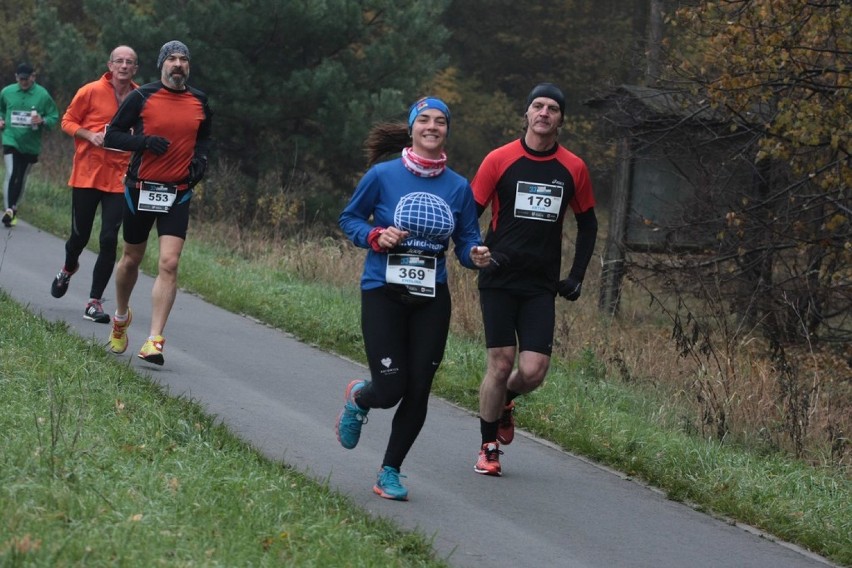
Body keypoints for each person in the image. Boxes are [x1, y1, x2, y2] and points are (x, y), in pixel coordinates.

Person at [336, 96, 491, 500]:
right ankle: (359, 397)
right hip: (382, 291)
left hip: (431, 296)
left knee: (419, 386)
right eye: (424, 120)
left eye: (440, 121)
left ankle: (390, 471)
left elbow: (466, 240)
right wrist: (374, 235)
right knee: (389, 388)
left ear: (446, 131)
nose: (432, 126)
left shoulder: (458, 187)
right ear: (411, 128)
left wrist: (474, 255)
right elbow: (349, 218)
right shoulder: (382, 175)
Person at [471, 83, 597, 477]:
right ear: (526, 114)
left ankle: (506, 399)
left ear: (561, 120)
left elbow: (589, 223)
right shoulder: (499, 159)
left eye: (553, 108)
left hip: (540, 284)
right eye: (537, 106)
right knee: (501, 361)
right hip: (498, 278)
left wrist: (576, 275)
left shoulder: (573, 167)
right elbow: (468, 213)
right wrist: (474, 251)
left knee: (533, 371)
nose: (544, 113)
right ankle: (488, 447)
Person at [102, 40, 212, 365]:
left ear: (188, 66)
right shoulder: (141, 96)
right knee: (131, 259)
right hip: (140, 188)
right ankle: (121, 317)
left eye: (183, 59)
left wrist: (200, 163)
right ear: (162, 65)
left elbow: (205, 136)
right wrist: (145, 142)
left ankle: (154, 340)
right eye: (172, 59)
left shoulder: (200, 101)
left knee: (170, 263)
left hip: (178, 191)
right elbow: (113, 135)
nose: (178, 64)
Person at [50, 46, 140, 323]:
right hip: (87, 174)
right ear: (110, 65)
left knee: (109, 239)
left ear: (135, 68)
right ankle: (67, 268)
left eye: (130, 62)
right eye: (119, 61)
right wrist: (88, 134)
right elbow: (67, 120)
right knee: (79, 235)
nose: (124, 66)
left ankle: (93, 302)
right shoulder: (90, 90)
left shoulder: (141, 98)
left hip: (119, 177)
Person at [0, 63, 59, 227]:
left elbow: (54, 116)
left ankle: (14, 207)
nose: (24, 82)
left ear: (33, 77)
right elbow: (1, 110)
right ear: (16, 78)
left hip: (30, 143)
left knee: (22, 177)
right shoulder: (7, 92)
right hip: (11, 138)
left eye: (26, 79)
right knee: (12, 172)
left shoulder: (42, 95)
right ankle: (9, 210)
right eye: (21, 79)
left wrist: (43, 120)